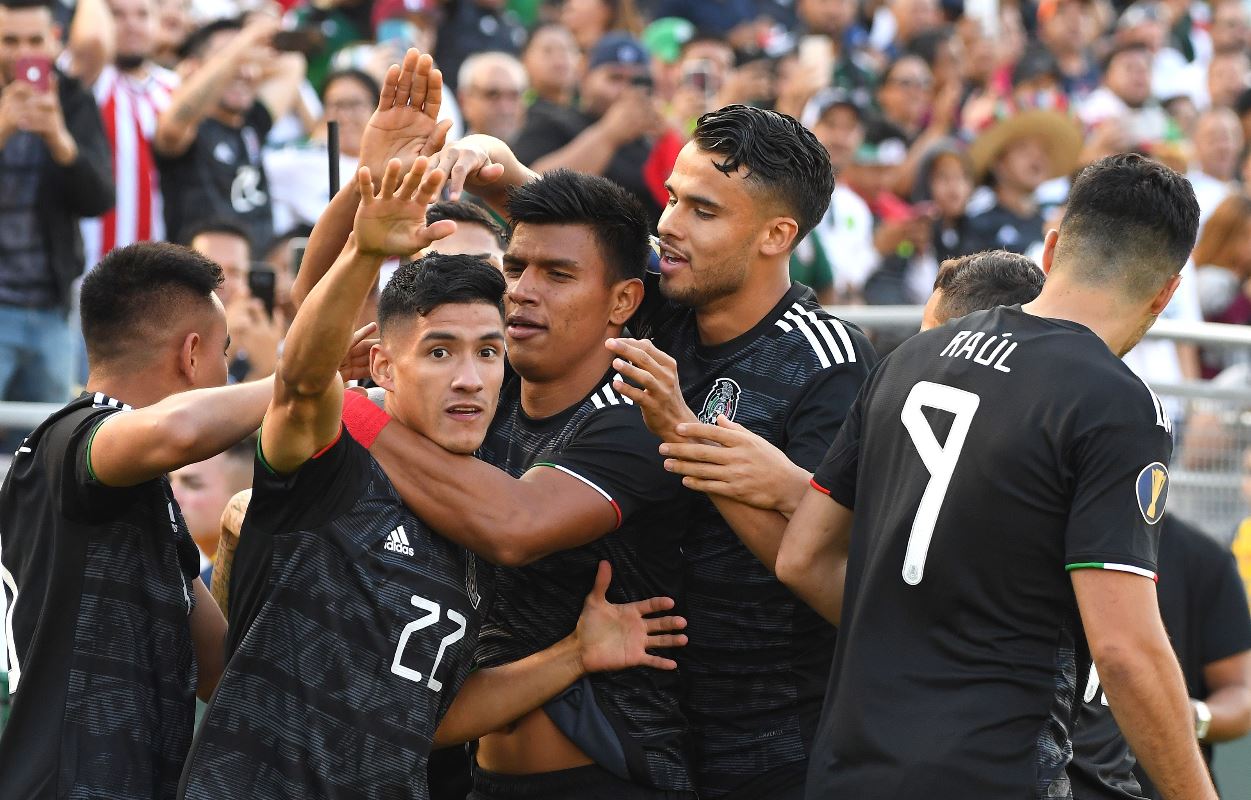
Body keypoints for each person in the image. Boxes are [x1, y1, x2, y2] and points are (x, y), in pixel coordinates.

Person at [178, 156, 688, 800]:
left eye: (486, 352)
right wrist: (368, 212)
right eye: (515, 269)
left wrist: (576, 654)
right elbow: (307, 366)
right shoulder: (374, 441)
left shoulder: (610, 427)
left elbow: (433, 696)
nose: (469, 376)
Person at [290, 53, 697, 798]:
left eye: (557, 275)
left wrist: (331, 399)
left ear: (622, 302)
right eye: (516, 269)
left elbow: (511, 523)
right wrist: (370, 187)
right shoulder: (491, 388)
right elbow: (315, 317)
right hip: (470, 773)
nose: (523, 293)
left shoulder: (636, 415)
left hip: (603, 780)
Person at [776, 153, 1216, 799]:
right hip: (990, 772)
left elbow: (801, 558)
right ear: (1166, 292)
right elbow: (1123, 651)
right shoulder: (1117, 402)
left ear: (1051, 245)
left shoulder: (911, 355)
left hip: (849, 766)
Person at [0, 240, 331, 798]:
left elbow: (223, 669)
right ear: (192, 353)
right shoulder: (69, 438)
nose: (228, 373)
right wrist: (301, 386)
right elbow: (176, 431)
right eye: (227, 355)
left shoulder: (142, 495)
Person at [1070, 514, 1251, 800]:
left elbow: (1241, 693)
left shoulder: (1202, 557)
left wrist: (1186, 714)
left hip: (1160, 788)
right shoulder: (1028, 542)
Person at [0, 0, 113, 409]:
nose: (20, 52)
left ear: (54, 41)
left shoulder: (73, 99)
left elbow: (99, 198)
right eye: (9, 40)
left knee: (39, 453)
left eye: (33, 40)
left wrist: (60, 141)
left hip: (51, 308)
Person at [154, 15, 304, 247]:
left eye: (248, 62)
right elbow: (171, 129)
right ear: (194, 67)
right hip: (200, 276)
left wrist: (254, 46)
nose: (244, 72)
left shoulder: (252, 123)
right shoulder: (189, 130)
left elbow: (293, 63)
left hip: (253, 273)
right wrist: (243, 43)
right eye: (230, 59)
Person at [64, 0, 177, 271]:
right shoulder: (89, 79)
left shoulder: (175, 88)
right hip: (88, 266)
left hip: (155, 271)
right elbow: (91, 41)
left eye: (142, 14)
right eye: (118, 15)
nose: (132, 24)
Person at [512, 32, 667, 222]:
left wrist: (670, 139)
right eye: (615, 78)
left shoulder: (651, 140)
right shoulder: (552, 120)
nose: (626, 92)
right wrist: (610, 134)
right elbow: (534, 187)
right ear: (585, 77)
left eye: (637, 82)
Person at [265, 68, 378, 232]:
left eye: (354, 105)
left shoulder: (393, 164)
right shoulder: (299, 161)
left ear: (375, 108)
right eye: (336, 106)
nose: (345, 116)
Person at [169, 436, 252, 584]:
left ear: (244, 495)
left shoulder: (250, 584)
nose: (171, 496)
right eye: (170, 481)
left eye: (192, 484)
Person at [457, 51, 527, 141]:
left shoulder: (541, 149)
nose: (505, 109)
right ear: (464, 101)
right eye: (492, 95)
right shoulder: (447, 154)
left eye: (514, 96)